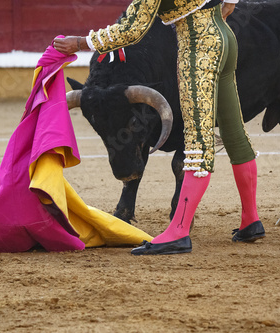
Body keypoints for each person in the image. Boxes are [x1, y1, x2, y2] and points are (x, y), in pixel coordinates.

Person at [53, 0, 265, 255]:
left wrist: (79, 43)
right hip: (223, 37)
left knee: (197, 142)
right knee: (234, 134)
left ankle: (178, 232)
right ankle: (251, 220)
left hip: (197, 47)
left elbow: (132, 29)